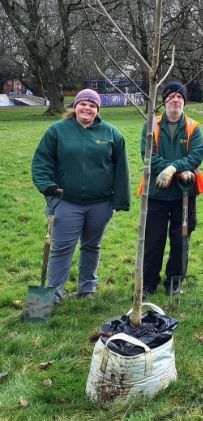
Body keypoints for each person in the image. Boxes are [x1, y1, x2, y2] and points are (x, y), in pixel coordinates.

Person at [31, 88, 130, 304]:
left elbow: (121, 169)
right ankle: (53, 295)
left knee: (92, 246)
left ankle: (87, 288)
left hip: (101, 203)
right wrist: (46, 185)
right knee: (61, 248)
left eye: (92, 105)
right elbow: (41, 161)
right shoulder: (57, 131)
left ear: (98, 110)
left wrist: (120, 200)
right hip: (65, 201)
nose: (87, 108)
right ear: (75, 106)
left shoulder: (112, 134)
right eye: (83, 104)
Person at [139, 81, 203, 297]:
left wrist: (173, 168)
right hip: (156, 192)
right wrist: (167, 169)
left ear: (184, 101)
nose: (175, 100)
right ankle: (149, 281)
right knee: (152, 239)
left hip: (184, 193)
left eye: (180, 96)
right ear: (164, 101)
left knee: (181, 238)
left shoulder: (194, 127)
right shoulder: (151, 125)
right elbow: (147, 154)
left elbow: (196, 155)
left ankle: (175, 280)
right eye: (171, 96)